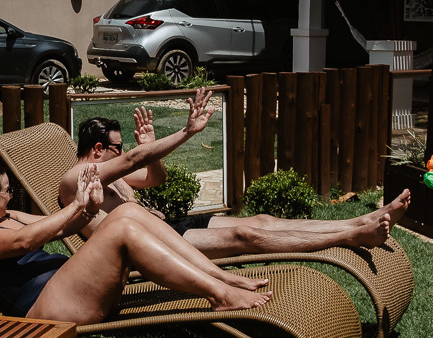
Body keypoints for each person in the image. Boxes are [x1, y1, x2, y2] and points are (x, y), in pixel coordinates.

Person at [58, 88, 408, 258]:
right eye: (117, 147)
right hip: (152, 245)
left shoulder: (109, 177)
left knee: (263, 221)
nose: (122, 153)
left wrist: (150, 148)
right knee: (246, 235)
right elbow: (134, 160)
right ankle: (350, 236)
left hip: (170, 226)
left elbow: (154, 179)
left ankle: (359, 221)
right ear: (99, 149)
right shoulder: (76, 180)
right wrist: (186, 133)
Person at [0, 160, 271, 324]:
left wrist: (88, 209)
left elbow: (59, 230)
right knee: (123, 230)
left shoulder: (8, 216)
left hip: (71, 288)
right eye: (7, 191)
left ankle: (220, 277)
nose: (11, 195)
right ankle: (219, 295)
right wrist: (75, 206)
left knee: (127, 212)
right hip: (49, 309)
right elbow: (23, 242)